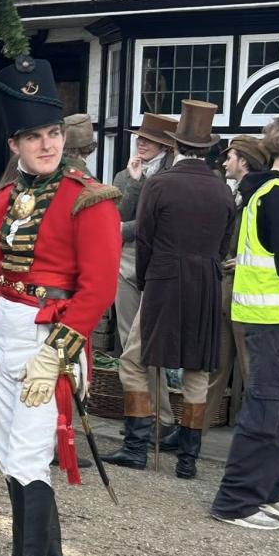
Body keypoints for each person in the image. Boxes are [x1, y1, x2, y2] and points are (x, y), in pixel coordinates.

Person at [0, 0, 122, 556]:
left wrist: (59, 350)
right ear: (14, 144)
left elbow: (99, 287)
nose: (47, 143)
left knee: (32, 460)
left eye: (53, 132)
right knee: (10, 459)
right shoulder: (3, 200)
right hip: (5, 332)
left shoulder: (91, 196)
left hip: (46, 338)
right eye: (34, 136)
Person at [101, 100, 235, 479]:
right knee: (196, 370)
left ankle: (136, 447)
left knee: (133, 360)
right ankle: (188, 461)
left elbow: (145, 239)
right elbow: (224, 244)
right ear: (207, 149)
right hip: (206, 283)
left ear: (175, 145)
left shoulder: (159, 184)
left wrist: (146, 280)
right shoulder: (223, 190)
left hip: (162, 280)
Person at [210, 115, 279, 530]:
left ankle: (268, 490)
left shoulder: (270, 192)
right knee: (267, 408)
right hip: (272, 318)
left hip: (270, 316)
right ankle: (237, 500)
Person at [110, 112, 179, 436]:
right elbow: (115, 210)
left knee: (147, 344)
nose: (141, 142)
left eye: (148, 139)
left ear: (165, 145)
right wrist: (134, 181)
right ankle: (139, 417)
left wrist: (122, 230)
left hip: (155, 263)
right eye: (139, 137)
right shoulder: (127, 173)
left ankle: (160, 417)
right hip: (125, 261)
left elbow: (156, 223)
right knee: (128, 344)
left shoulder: (173, 173)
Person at [195, 135, 267, 445]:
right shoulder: (236, 193)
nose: (225, 162)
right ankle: (193, 435)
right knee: (215, 369)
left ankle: (260, 442)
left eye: (231, 156)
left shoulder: (262, 197)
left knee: (254, 375)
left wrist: (245, 261)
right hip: (227, 292)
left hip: (251, 298)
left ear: (245, 161)